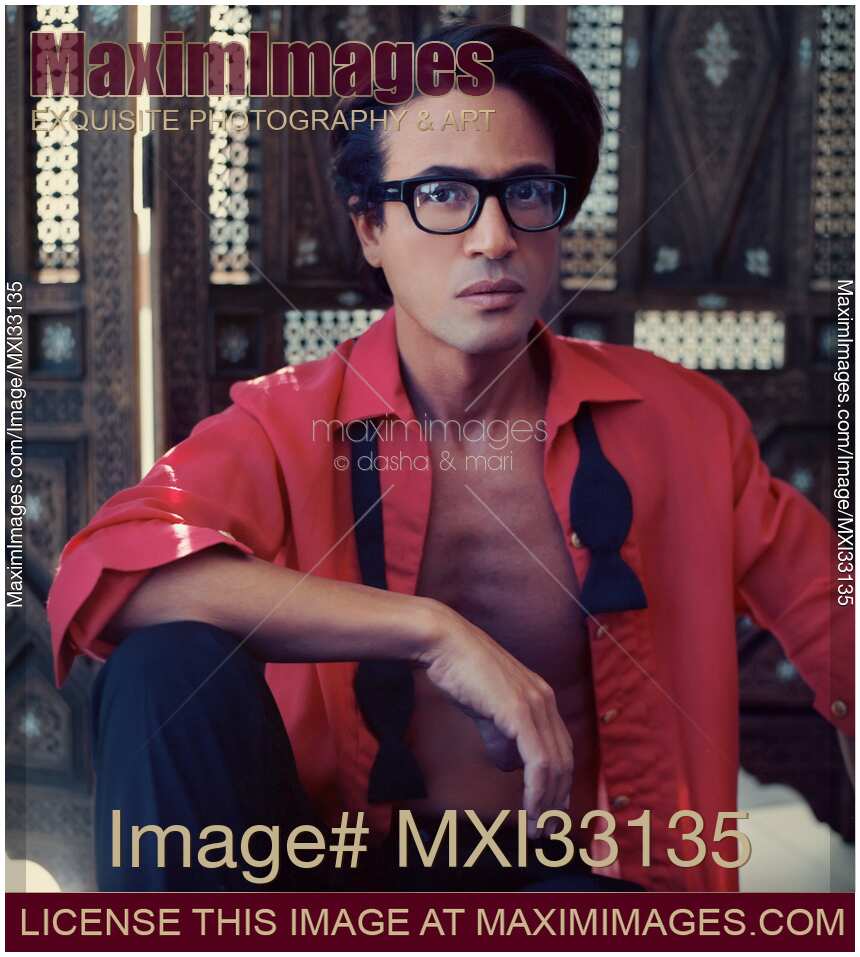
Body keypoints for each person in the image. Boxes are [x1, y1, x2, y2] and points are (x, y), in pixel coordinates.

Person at [46, 23, 853, 893]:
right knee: (165, 665)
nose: (493, 237)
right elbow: (100, 574)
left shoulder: (681, 424)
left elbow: (837, 627)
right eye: (441, 194)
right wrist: (435, 634)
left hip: (567, 888)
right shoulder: (287, 421)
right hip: (321, 879)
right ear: (370, 229)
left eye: (527, 193)